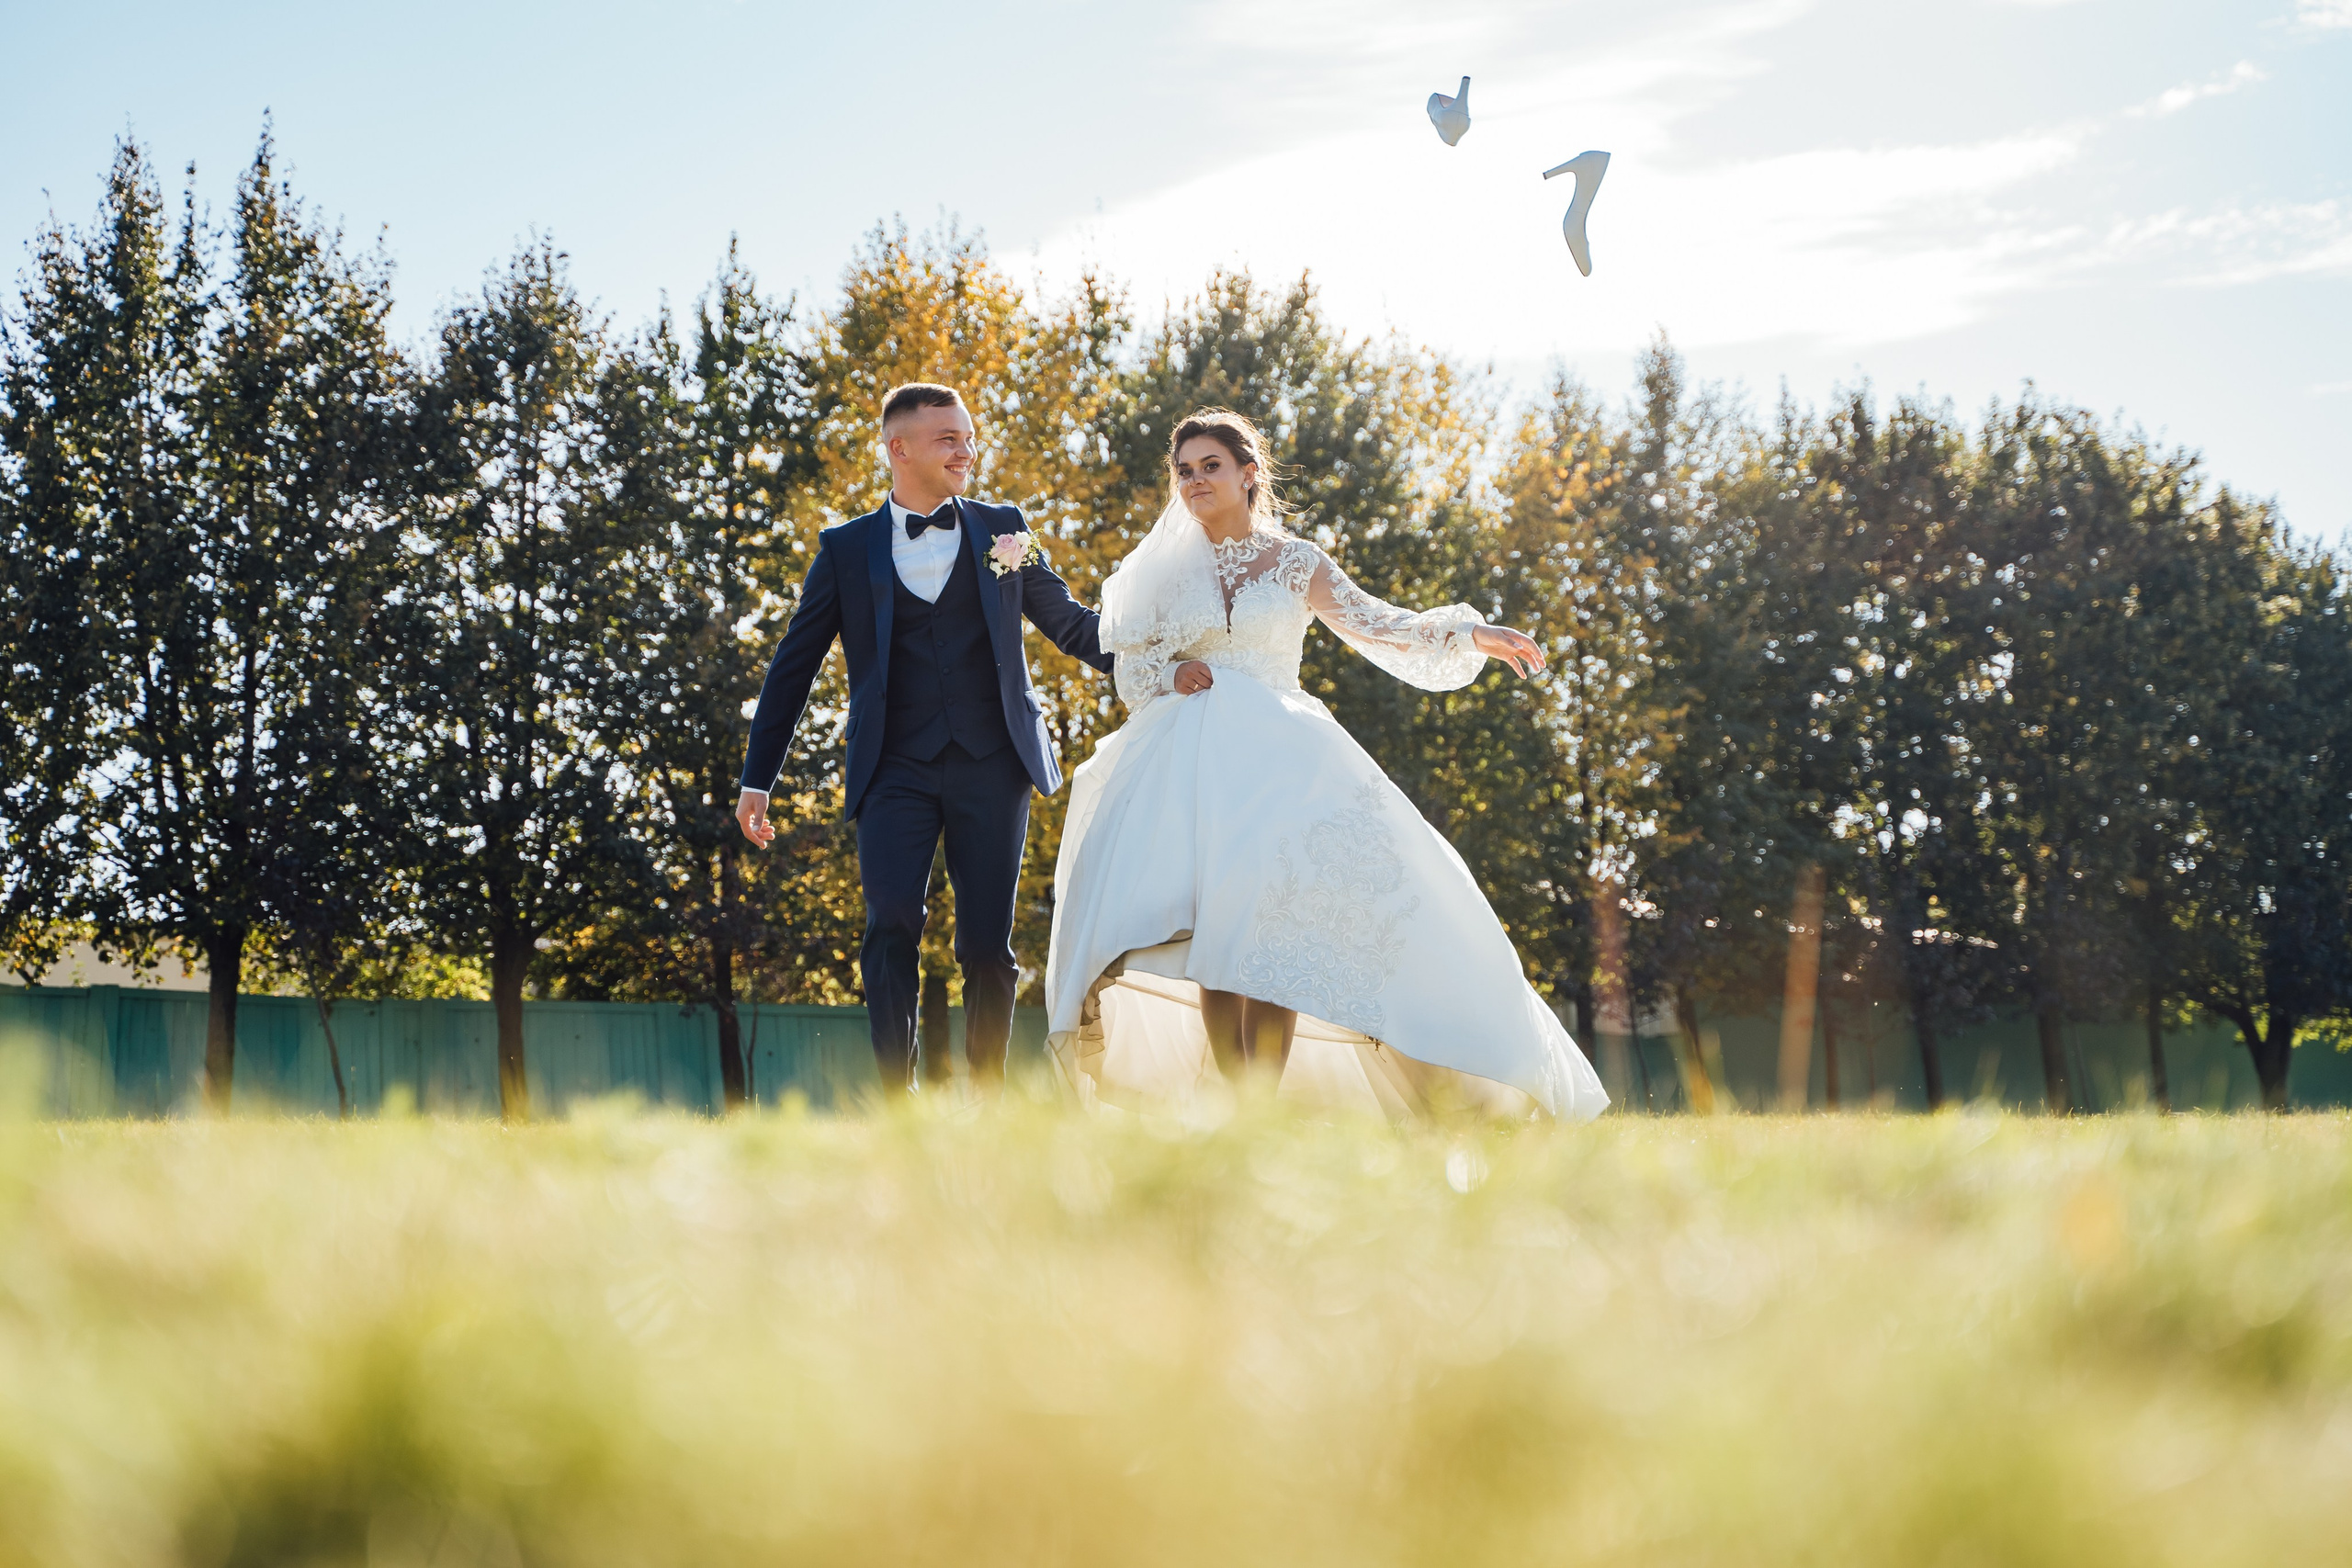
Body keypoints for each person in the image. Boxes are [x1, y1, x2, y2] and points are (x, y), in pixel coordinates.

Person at [1045, 409, 1607, 1120]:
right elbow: (1132, 662)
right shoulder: (1158, 571)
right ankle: (1236, 1097)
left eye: (1210, 465)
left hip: (1282, 761)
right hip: (1187, 768)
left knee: (1274, 928)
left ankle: (1263, 1101)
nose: (1194, 480)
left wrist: (1471, 633)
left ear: (1249, 474)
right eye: (1184, 469)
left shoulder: (1296, 562)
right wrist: (1174, 669)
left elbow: (1380, 623)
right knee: (1216, 930)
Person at [736, 383, 1113, 1095]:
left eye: (968, 436)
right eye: (948, 438)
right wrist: (758, 779)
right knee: (892, 923)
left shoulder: (1002, 530)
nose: (965, 450)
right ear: (898, 448)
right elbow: (793, 667)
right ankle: (893, 1102)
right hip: (892, 767)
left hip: (993, 761)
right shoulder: (846, 550)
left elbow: (1067, 622)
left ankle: (990, 1099)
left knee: (984, 944)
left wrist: (1154, 657)